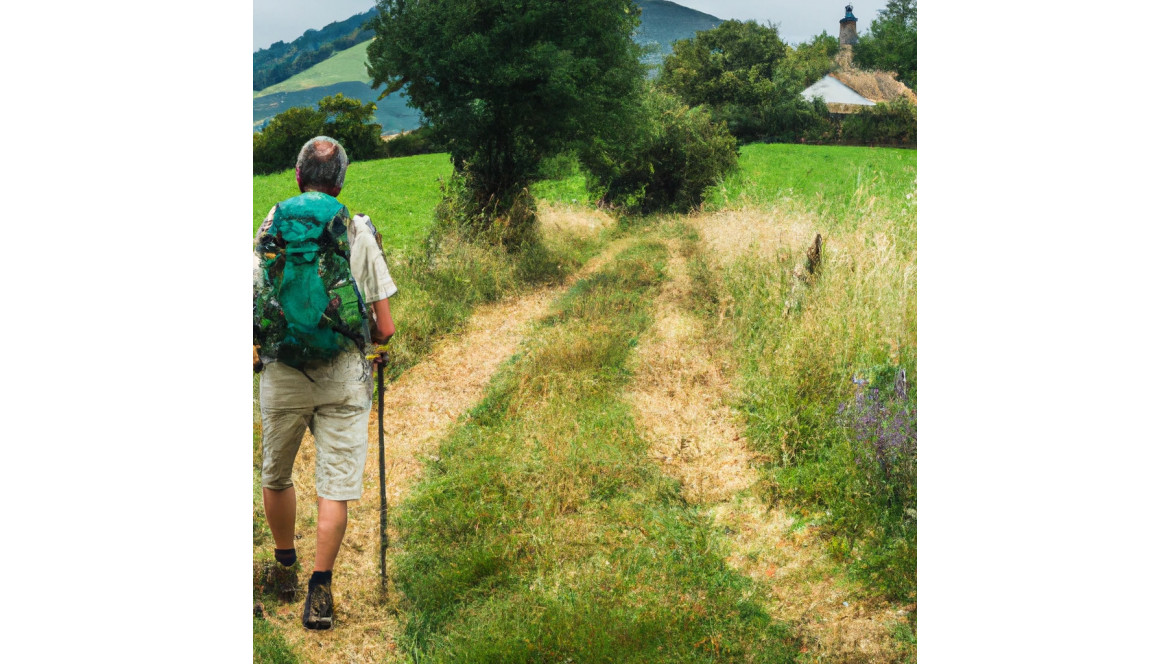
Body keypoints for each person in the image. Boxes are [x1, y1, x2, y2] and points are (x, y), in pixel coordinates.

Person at [253, 136, 397, 630]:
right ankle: (320, 592)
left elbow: (256, 302)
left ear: (297, 177)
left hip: (283, 373)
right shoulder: (356, 230)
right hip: (342, 376)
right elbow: (385, 325)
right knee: (333, 486)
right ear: (340, 181)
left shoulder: (272, 226)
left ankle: (285, 567)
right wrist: (375, 344)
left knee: (277, 474)